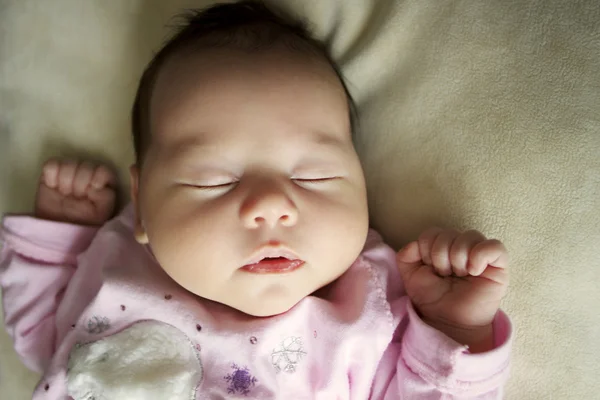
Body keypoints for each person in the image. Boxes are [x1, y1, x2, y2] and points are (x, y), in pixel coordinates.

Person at [0, 1, 512, 398]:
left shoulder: (364, 315)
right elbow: (42, 336)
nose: (270, 205)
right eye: (212, 181)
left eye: (314, 176)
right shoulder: (113, 264)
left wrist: (452, 327)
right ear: (143, 202)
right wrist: (61, 236)